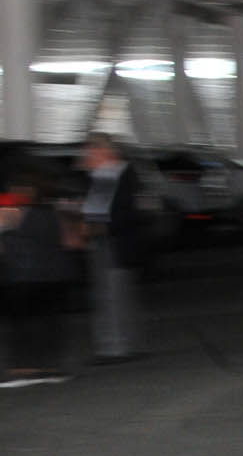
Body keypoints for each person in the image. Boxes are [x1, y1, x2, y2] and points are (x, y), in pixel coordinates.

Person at [0, 165, 80, 384]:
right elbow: (72, 241)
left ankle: (23, 369)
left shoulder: (11, 212)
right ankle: (51, 368)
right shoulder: (56, 211)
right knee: (49, 323)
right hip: (54, 276)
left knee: (22, 325)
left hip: (22, 277)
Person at [79, 132, 146, 365]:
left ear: (104, 151)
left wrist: (99, 226)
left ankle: (118, 347)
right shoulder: (102, 175)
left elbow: (124, 213)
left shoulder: (119, 175)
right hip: (103, 241)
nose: (86, 157)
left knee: (115, 295)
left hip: (114, 242)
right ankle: (111, 346)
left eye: (91, 152)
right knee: (106, 295)